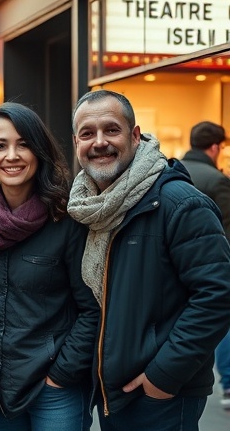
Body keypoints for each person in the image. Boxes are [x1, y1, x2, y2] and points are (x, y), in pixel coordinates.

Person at [68, 90, 230, 430]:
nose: (99, 142)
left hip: (160, 394)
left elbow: (217, 296)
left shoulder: (179, 202)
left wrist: (163, 377)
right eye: (87, 133)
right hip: (115, 391)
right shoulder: (89, 208)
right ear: (76, 142)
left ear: (135, 135)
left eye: (111, 130)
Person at [0, 103, 98, 430]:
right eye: (0, 146)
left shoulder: (67, 219)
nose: (12, 155)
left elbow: (92, 308)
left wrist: (62, 374)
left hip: (54, 387)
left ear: (39, 150)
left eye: (23, 144)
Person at [180, 121, 230, 409]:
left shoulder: (171, 170)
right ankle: (229, 383)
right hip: (210, 268)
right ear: (215, 147)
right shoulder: (218, 180)